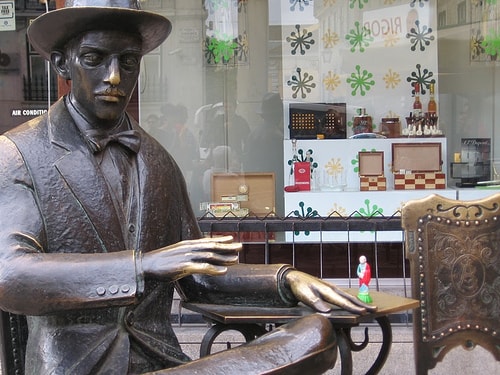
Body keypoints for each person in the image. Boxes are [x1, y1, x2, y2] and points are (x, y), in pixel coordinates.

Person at [0, 1, 375, 374]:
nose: (114, 76)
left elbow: (199, 277)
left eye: (128, 62)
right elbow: (10, 275)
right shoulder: (19, 153)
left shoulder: (155, 159)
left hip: (161, 362)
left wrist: (285, 278)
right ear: (62, 64)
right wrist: (143, 267)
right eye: (95, 58)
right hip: (76, 367)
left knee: (314, 334)